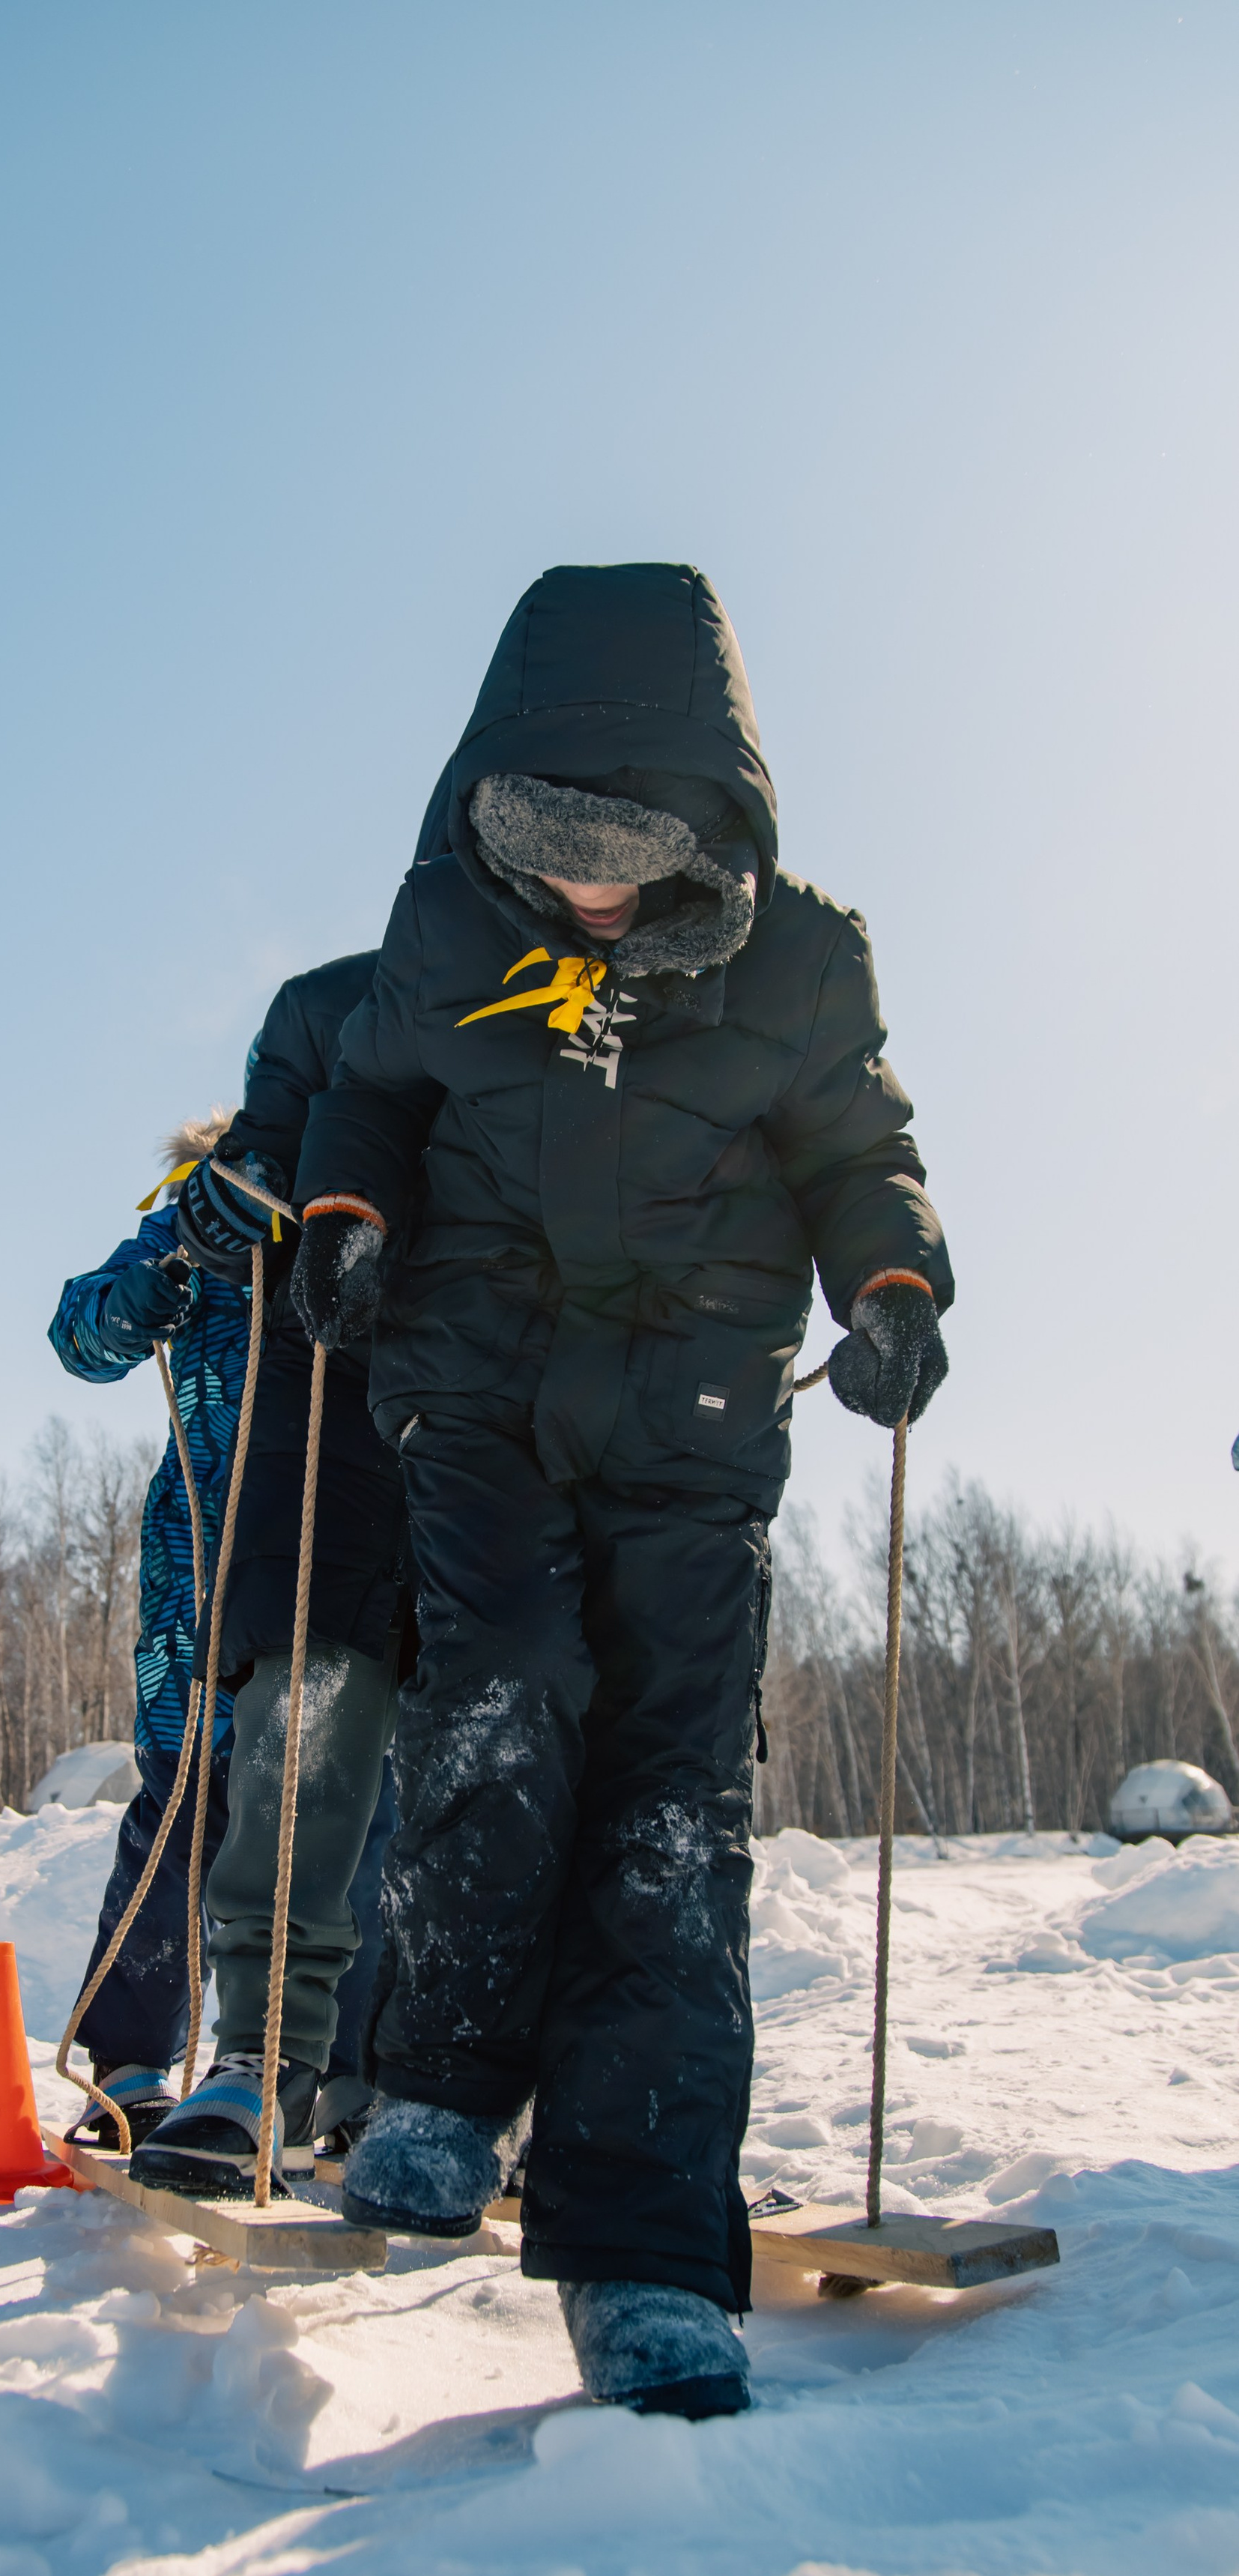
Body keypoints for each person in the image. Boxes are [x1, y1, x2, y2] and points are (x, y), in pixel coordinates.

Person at [291, 564, 953, 2419]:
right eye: (546, 851)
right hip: (478, 1389)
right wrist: (344, 1216)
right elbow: (368, 1094)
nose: (585, 893)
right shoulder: (443, 919)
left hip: (692, 1413)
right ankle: (436, 2088)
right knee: (495, 1698)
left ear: (706, 829)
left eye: (625, 859)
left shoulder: (800, 955)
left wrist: (890, 1285)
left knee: (666, 1799)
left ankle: (645, 2251)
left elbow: (859, 1144)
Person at [128, 954, 414, 2196]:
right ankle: (193, 2059)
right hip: (235, 1543)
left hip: (447, 1429)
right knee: (206, 1799)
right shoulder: (215, 1224)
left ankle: (384, 2081)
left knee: (407, 1810)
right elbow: (87, 1321)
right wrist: (166, 1266)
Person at [49, 1119, 251, 2145]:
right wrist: (147, 1289)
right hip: (200, 1560)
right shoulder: (197, 1219)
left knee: (343, 1813)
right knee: (182, 1802)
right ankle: (129, 2061)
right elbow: (78, 1333)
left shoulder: (353, 1195)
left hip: (336, 1543)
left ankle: (321, 2066)